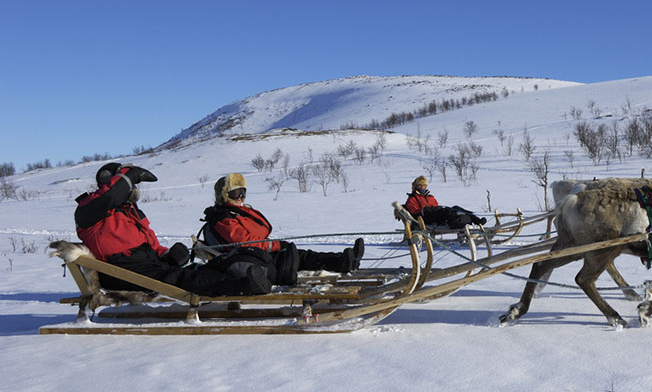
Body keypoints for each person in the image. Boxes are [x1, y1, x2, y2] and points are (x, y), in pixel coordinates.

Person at [74, 162, 271, 296]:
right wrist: (129, 174)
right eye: (131, 185)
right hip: (120, 270)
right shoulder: (89, 210)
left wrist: (169, 256)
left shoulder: (130, 212)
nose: (134, 189)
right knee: (182, 278)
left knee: (199, 268)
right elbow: (110, 197)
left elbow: (151, 245)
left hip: (144, 264)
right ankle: (242, 286)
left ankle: (247, 276)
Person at [200, 173, 364, 281]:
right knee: (291, 256)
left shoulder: (237, 213)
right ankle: (340, 262)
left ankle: (344, 261)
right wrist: (275, 245)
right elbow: (244, 243)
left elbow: (259, 234)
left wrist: (274, 245)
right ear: (224, 195)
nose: (241, 197)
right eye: (235, 194)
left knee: (302, 255)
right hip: (248, 261)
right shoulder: (223, 219)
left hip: (258, 254)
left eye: (243, 192)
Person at [404, 175, 486, 229]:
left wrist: (436, 209)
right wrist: (425, 210)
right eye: (420, 186)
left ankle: (477, 220)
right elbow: (414, 211)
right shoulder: (412, 198)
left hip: (434, 215)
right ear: (416, 186)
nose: (422, 188)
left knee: (456, 208)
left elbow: (436, 206)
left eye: (424, 186)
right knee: (445, 211)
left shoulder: (430, 197)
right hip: (425, 218)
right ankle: (457, 224)